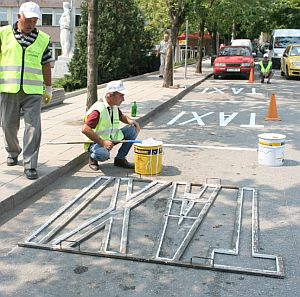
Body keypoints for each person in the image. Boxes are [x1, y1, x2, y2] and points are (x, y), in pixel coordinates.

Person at [0, 1, 53, 180]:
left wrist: (49, 88)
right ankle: (13, 152)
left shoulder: (43, 39)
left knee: (33, 127)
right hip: (8, 88)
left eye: (34, 20)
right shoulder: (3, 34)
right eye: (27, 19)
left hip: (33, 91)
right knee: (8, 125)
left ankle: (30, 164)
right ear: (18, 17)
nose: (30, 24)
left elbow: (46, 64)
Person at [82, 80, 140, 171]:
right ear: (110, 95)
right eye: (121, 95)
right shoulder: (98, 109)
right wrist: (102, 142)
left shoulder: (114, 106)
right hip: (96, 142)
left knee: (132, 130)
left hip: (111, 138)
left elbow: (121, 117)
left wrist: (131, 121)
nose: (123, 99)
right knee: (103, 154)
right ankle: (92, 158)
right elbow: (85, 129)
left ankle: (120, 159)